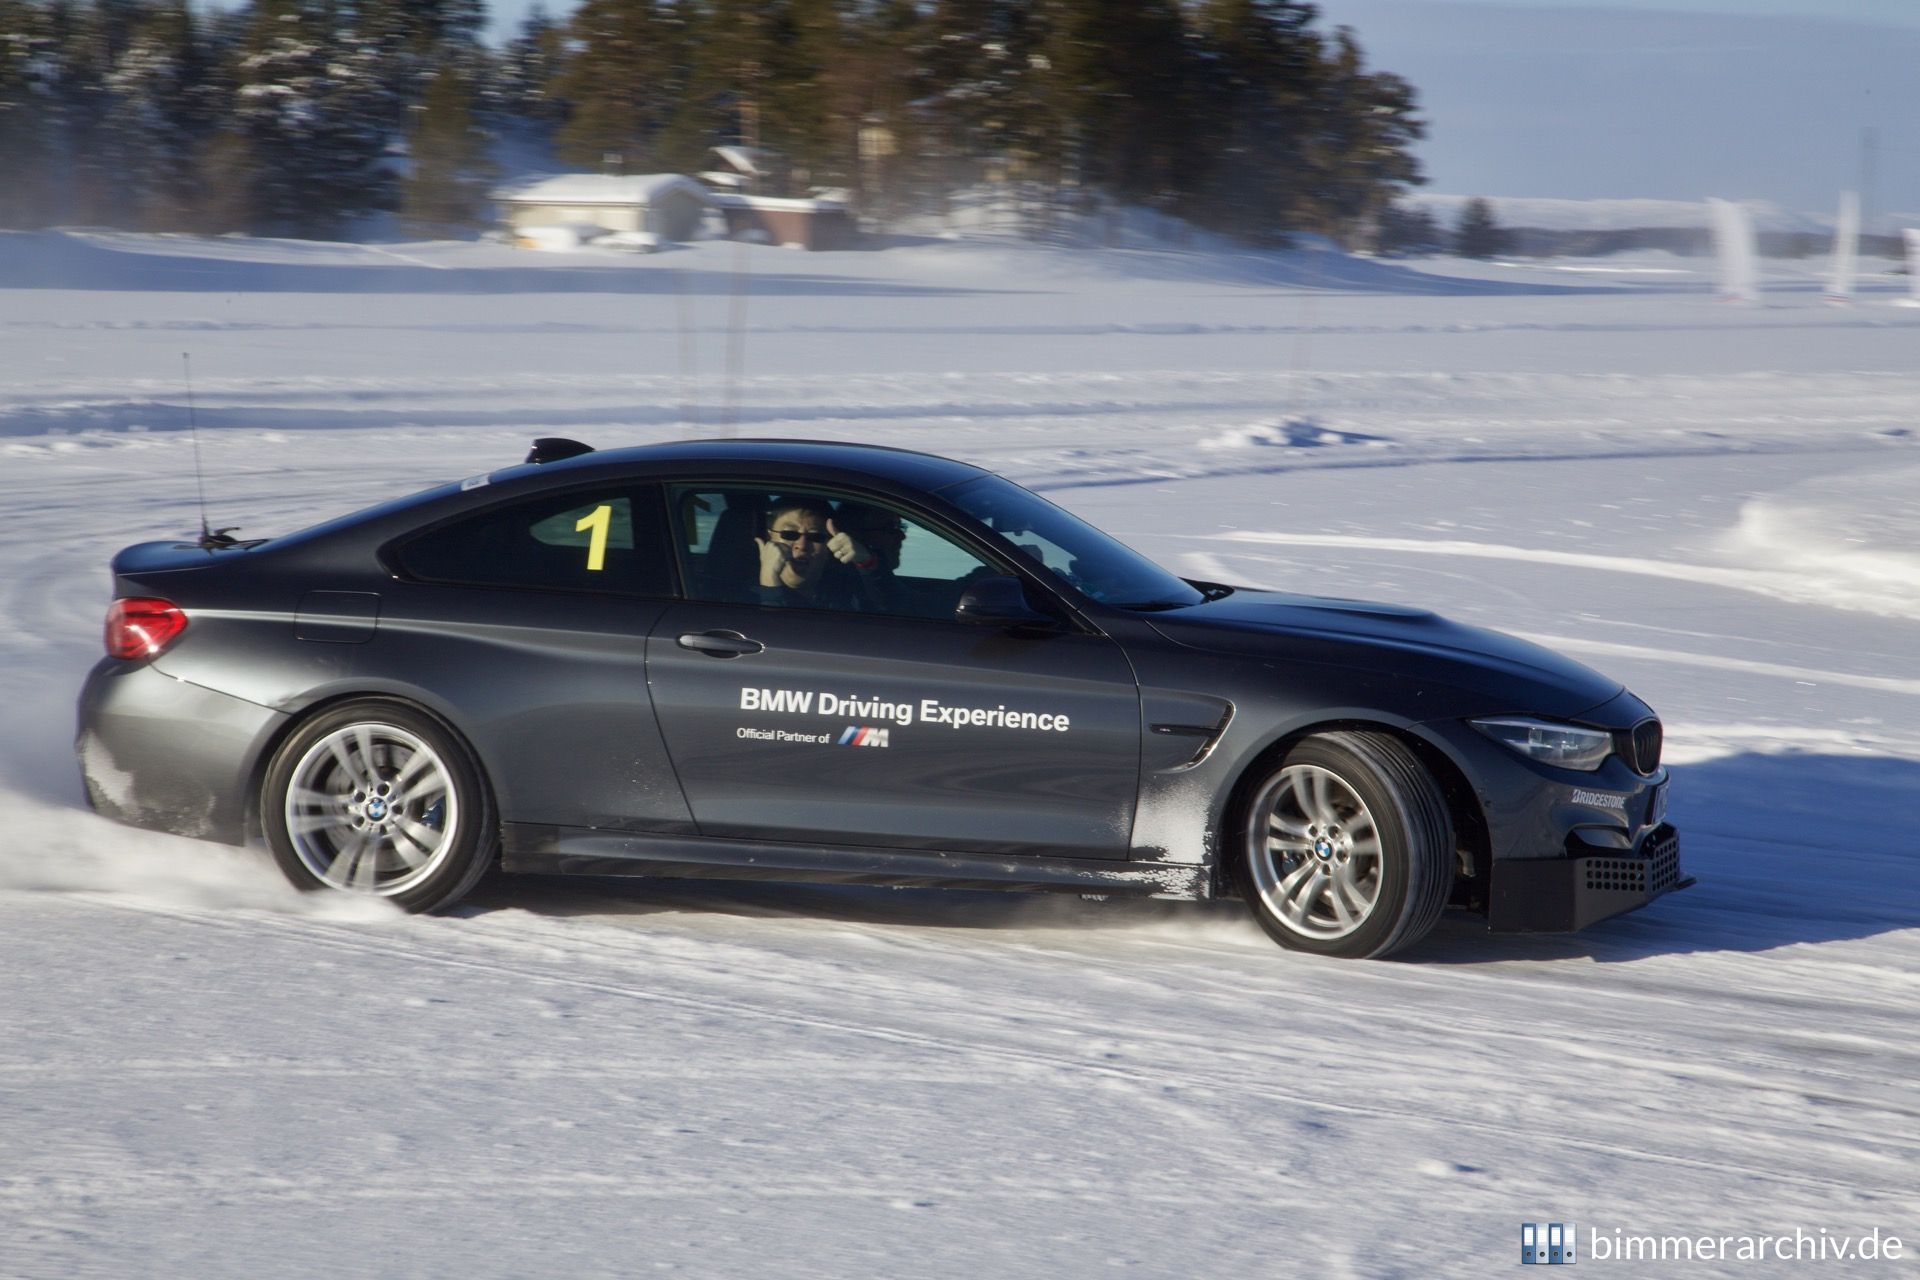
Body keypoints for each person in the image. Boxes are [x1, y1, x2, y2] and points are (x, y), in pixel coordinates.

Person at [754, 497, 894, 611]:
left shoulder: (846, 593)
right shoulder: (739, 599)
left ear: (830, 546)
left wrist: (868, 563)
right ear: (768, 539)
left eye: (816, 537)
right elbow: (773, 640)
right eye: (789, 534)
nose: (802, 546)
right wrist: (769, 583)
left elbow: (901, 610)